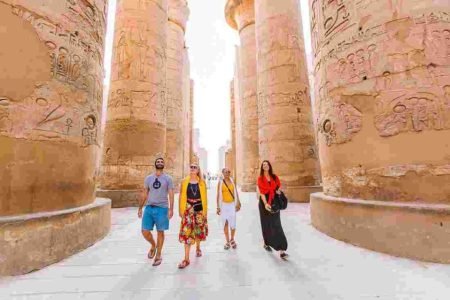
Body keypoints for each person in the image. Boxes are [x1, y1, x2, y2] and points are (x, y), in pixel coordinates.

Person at [138, 157, 174, 266]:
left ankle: (158, 255)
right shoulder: (148, 178)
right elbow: (145, 193)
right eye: (158, 162)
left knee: (160, 231)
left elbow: (171, 194)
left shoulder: (168, 179)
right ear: (155, 164)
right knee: (144, 231)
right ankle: (153, 245)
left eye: (161, 162)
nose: (159, 163)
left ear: (164, 165)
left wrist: (171, 209)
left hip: (162, 208)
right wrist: (140, 207)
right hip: (149, 207)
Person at [178, 163, 208, 269]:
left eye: (195, 167)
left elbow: (205, 197)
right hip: (188, 208)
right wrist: (180, 210)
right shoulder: (184, 181)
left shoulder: (202, 182)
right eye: (191, 167)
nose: (193, 168)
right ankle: (186, 259)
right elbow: (181, 195)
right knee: (187, 232)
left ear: (198, 170)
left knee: (198, 230)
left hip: (199, 208)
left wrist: (205, 212)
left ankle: (198, 248)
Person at [256, 160, 288, 259]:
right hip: (264, 203)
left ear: (269, 166)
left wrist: (278, 192)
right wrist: (265, 204)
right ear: (262, 167)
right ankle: (266, 243)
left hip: (274, 202)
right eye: (263, 165)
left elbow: (277, 188)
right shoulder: (260, 179)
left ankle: (282, 250)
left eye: (267, 164)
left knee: (277, 224)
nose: (265, 166)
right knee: (266, 224)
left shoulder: (274, 177)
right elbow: (261, 193)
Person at [216, 168, 241, 250]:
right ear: (223, 173)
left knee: (233, 223)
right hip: (223, 205)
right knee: (225, 223)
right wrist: (218, 207)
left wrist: (238, 202)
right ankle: (227, 241)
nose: (227, 173)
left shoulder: (232, 181)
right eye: (225, 172)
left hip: (232, 205)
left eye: (228, 172)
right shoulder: (220, 182)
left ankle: (232, 239)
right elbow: (218, 195)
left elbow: (236, 192)